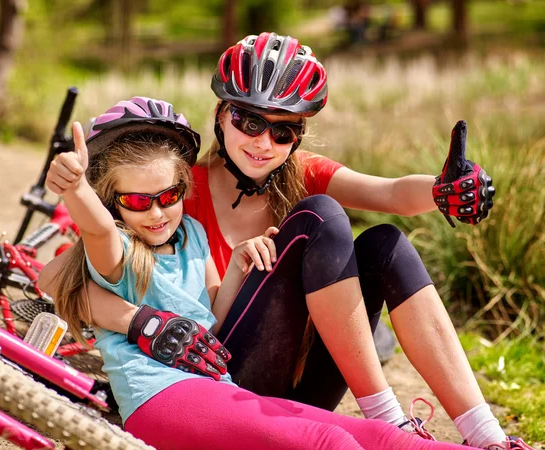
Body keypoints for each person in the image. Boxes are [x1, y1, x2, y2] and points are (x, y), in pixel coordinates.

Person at [39, 33, 531, 450]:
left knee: (384, 244)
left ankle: (486, 435)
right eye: (249, 121)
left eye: (283, 131)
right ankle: (387, 417)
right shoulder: (170, 192)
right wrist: (138, 320)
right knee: (320, 218)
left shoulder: (295, 175)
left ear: (298, 136)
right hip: (214, 378)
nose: (263, 142)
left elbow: (390, 194)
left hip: (297, 386)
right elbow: (60, 274)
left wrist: (442, 190)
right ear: (220, 114)